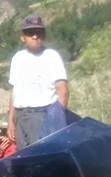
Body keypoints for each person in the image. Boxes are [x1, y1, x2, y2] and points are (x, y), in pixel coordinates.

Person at [7, 15, 69, 150]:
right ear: (23, 37)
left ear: (43, 35)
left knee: (42, 157)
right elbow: (15, 92)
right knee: (23, 159)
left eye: (38, 32)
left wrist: (55, 120)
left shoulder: (52, 56)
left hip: (43, 115)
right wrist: (11, 121)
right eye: (30, 33)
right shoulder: (17, 58)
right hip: (20, 116)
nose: (35, 36)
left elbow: (62, 90)